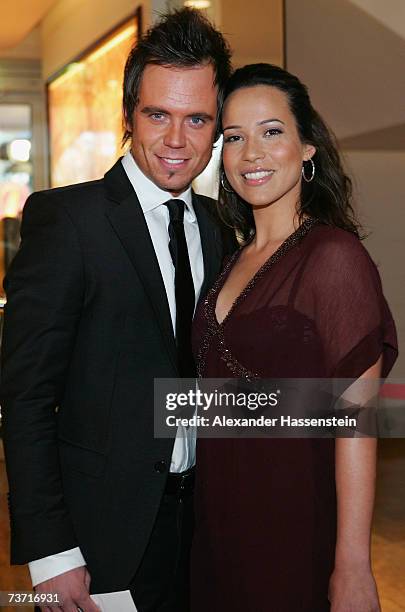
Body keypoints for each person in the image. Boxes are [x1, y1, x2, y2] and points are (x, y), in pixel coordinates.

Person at [0, 9, 236, 612]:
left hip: (205, 529)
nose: (177, 141)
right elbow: (24, 395)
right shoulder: (68, 221)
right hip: (101, 538)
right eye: (158, 115)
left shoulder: (217, 230)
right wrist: (51, 554)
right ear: (129, 114)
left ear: (216, 127)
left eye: (197, 120)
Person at [190, 64, 398, 611]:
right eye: (234, 138)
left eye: (271, 131)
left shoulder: (334, 259)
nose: (251, 152)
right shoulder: (229, 261)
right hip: (215, 526)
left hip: (291, 527)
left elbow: (354, 421)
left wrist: (352, 565)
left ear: (307, 146)